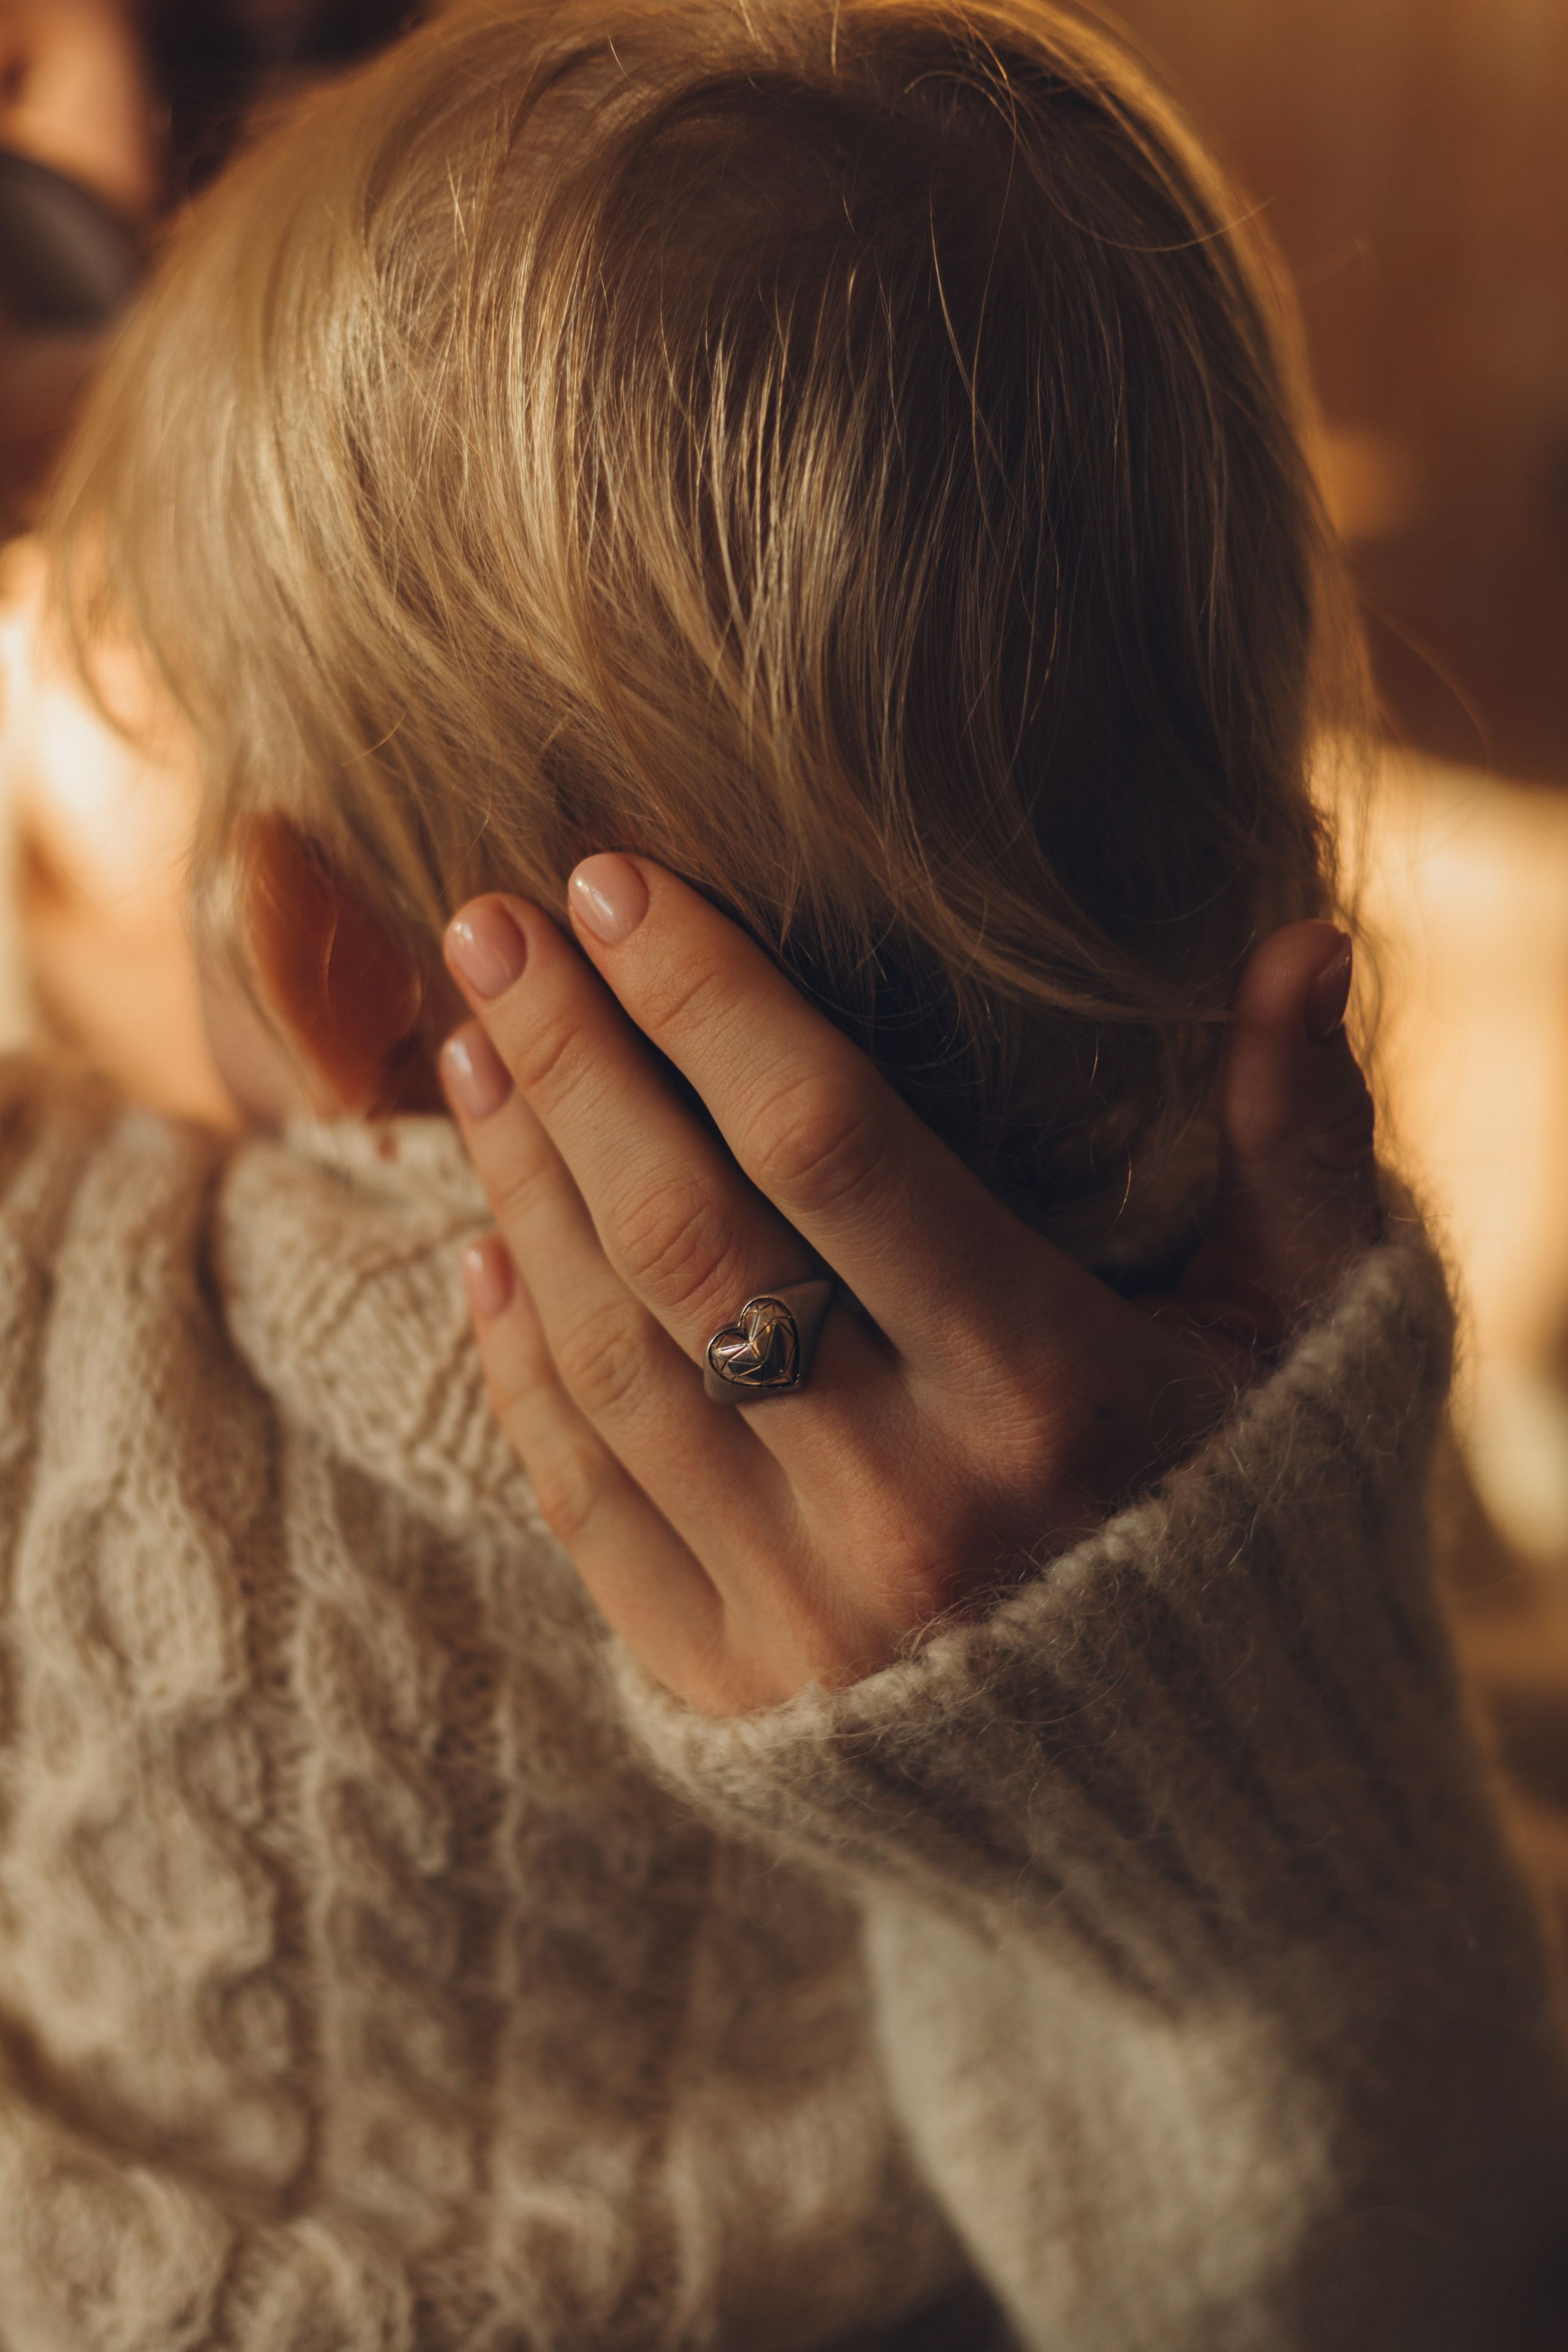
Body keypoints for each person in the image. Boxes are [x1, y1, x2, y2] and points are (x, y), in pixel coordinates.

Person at [3, 0, 1565, 2344]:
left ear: (313, 945)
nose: (116, 150)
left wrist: (1259, 1862)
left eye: (279, 26)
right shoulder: (1222, 1212)